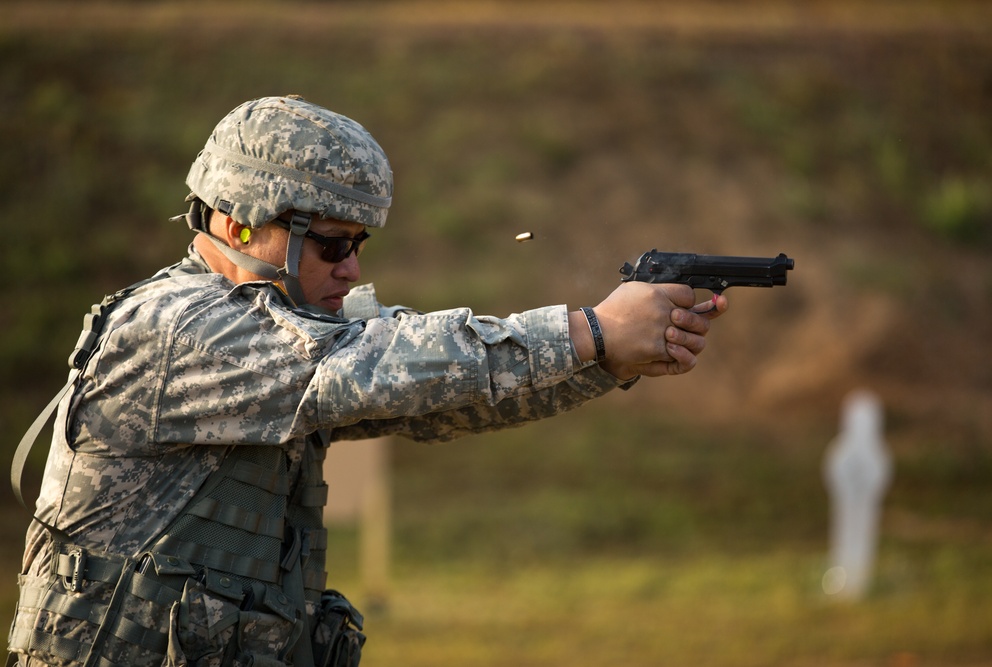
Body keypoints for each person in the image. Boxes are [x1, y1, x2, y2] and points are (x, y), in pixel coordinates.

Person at [7, 95, 728, 667]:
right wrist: (590, 332)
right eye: (329, 244)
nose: (349, 268)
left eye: (357, 244)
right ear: (235, 224)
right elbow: (374, 367)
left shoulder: (269, 324)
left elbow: (437, 401)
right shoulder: (179, 326)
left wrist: (602, 363)